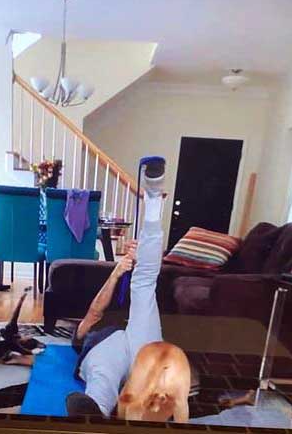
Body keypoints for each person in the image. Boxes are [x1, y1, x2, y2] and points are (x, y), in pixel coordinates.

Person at [67, 156, 181, 418]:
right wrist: (117, 272)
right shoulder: (87, 337)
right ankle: (94, 414)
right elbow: (94, 313)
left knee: (144, 282)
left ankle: (153, 196)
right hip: (112, 346)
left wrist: (141, 256)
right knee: (103, 375)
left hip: (140, 338)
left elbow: (147, 275)